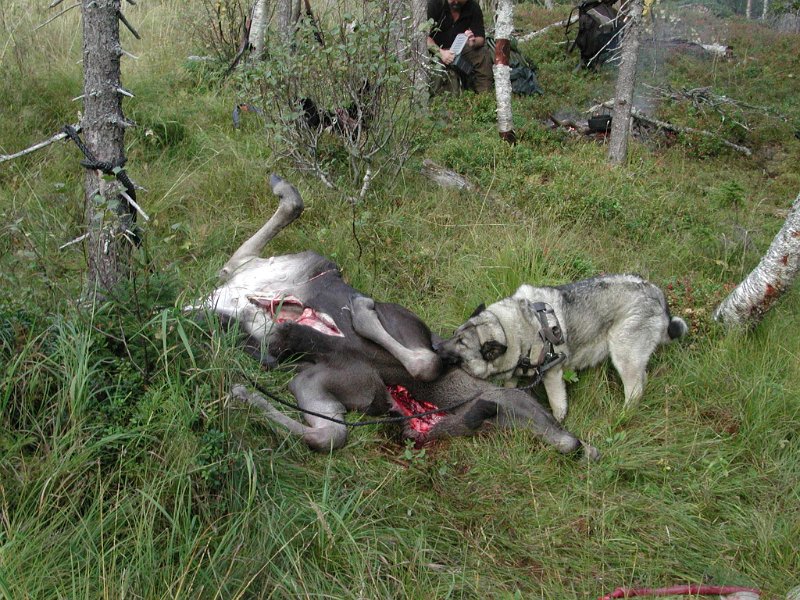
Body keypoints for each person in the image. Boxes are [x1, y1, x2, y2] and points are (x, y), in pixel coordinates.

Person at [427, 0, 494, 94]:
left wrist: (472, 42)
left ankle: (485, 96)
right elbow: (424, 38)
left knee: (482, 54)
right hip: (435, 51)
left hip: (459, 49)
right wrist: (441, 53)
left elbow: (480, 38)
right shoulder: (434, 4)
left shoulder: (473, 7)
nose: (456, 1)